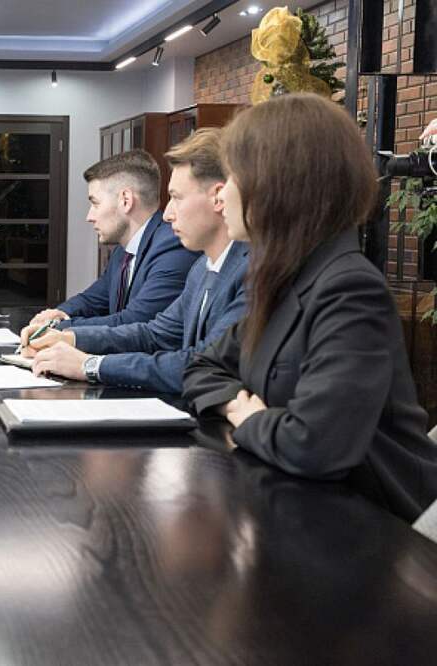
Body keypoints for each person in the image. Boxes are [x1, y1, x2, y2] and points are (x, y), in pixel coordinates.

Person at [183, 93, 437, 522]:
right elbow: (201, 366)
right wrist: (239, 406)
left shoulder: (349, 288)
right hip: (303, 509)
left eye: (232, 176)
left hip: (379, 530)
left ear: (277, 184)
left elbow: (314, 446)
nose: (221, 195)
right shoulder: (287, 279)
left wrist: (251, 421)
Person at [22, 129, 249, 394]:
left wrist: (90, 364)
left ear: (218, 198)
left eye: (176, 198)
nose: (168, 214)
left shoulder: (250, 270)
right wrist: (69, 336)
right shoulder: (201, 268)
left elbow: (204, 365)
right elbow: (154, 334)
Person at [26, 150, 198, 332]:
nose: (89, 216)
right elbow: (94, 299)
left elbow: (134, 321)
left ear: (126, 200)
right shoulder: (123, 251)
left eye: (95, 203)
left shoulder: (172, 246)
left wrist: (57, 329)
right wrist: (59, 314)